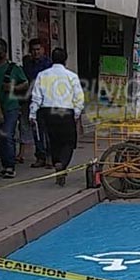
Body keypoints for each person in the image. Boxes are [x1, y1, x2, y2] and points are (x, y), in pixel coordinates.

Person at [30, 48, 84, 187]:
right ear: (65, 59)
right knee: (69, 142)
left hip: (48, 111)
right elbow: (79, 97)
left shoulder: (42, 75)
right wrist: (77, 113)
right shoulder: (71, 76)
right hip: (66, 111)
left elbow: (36, 96)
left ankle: (56, 163)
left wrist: (33, 113)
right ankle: (62, 164)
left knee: (53, 141)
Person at [0, 38, 29, 179]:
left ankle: (10, 166)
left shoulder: (14, 68)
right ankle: (5, 164)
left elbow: (25, 83)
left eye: (0, 51)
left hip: (11, 106)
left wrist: (13, 87)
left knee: (7, 135)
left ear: (5, 52)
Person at [22, 38, 53, 168]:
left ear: (43, 50)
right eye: (33, 50)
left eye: (38, 49)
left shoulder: (48, 64)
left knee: (48, 130)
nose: (36, 52)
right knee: (36, 129)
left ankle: (50, 157)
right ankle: (40, 156)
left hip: (47, 101)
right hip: (32, 101)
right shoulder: (27, 64)